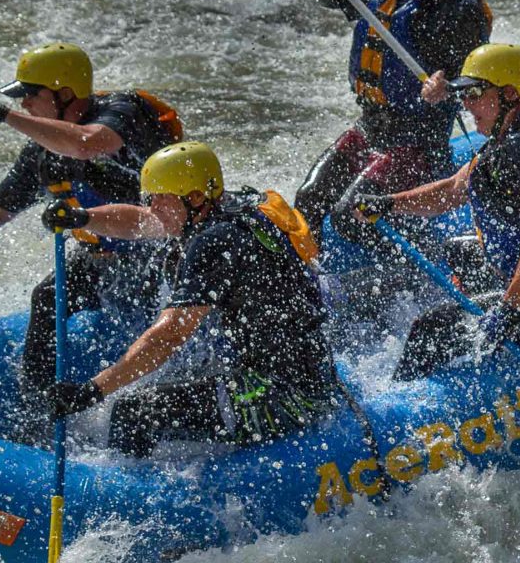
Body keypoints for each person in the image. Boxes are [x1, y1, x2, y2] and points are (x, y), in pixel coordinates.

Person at [0, 43, 183, 426]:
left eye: (31, 95)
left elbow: (86, 143)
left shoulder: (123, 114)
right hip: (106, 260)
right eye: (20, 99)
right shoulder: (42, 155)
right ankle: (39, 412)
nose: (25, 104)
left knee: (166, 321)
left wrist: (2, 114)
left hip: (167, 254)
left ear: (64, 94)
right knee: (47, 298)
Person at [49, 142, 342, 457]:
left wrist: (93, 390)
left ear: (196, 198)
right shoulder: (239, 206)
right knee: (182, 379)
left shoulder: (212, 242)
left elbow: (170, 335)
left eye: (161, 200)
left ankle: (127, 493)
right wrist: (81, 218)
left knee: (131, 411)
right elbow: (142, 221)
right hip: (310, 369)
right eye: (151, 199)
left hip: (286, 394)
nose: (153, 208)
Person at [348, 44, 520, 380]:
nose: (465, 104)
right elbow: (453, 190)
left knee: (427, 331)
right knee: (459, 251)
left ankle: (405, 407)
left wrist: (508, 311)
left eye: (475, 93)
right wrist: (388, 202)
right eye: (463, 95)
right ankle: (483, 315)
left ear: (509, 94)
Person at [297, 0, 493, 254]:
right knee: (309, 197)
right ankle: (310, 277)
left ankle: (414, 262)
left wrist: (447, 86)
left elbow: (478, 77)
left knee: (351, 214)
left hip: (418, 140)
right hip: (371, 127)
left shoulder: (461, 8)